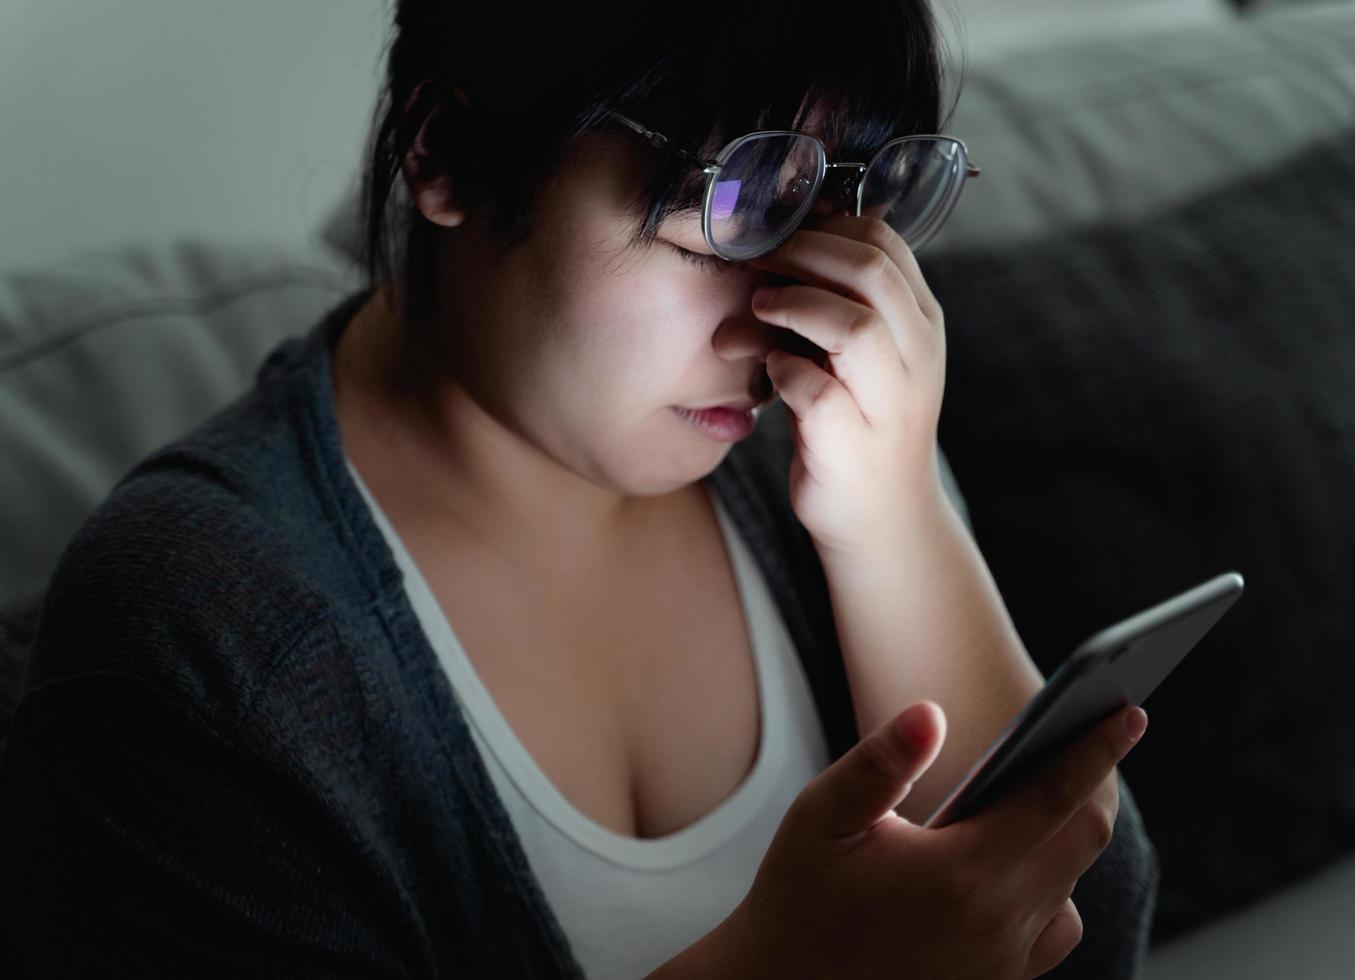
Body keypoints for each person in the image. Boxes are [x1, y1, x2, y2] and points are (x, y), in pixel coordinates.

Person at [0, 1, 1159, 977]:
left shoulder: (822, 429)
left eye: (840, 200)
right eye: (740, 194)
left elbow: (1092, 938)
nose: (791, 308)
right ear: (447, 153)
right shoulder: (192, 634)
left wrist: (893, 518)